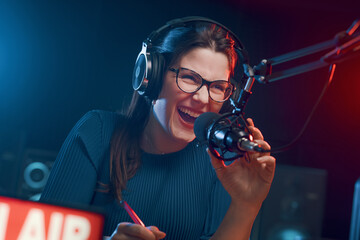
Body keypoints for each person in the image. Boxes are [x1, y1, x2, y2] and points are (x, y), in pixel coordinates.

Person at [40, 17, 276, 240]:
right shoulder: (97, 132)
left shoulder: (222, 164)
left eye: (217, 86)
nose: (203, 99)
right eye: (190, 78)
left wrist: (246, 205)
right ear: (151, 77)